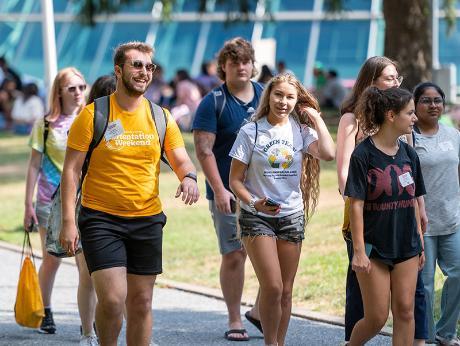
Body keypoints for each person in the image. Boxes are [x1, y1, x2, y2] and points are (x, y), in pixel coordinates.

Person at [59, 41, 199, 346]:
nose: (144, 72)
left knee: (141, 303)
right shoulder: (93, 115)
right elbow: (71, 171)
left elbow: (181, 158)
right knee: (111, 300)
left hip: (147, 220)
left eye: (149, 67)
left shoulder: (161, 117)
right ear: (119, 70)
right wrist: (69, 221)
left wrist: (189, 177)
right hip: (101, 220)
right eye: (137, 65)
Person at [229, 73, 335, 346]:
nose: (283, 102)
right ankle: (270, 343)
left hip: (291, 216)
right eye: (278, 95)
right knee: (273, 286)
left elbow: (328, 153)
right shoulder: (250, 131)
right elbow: (235, 181)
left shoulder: (301, 132)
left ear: (297, 100)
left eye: (290, 97)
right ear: (268, 96)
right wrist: (254, 203)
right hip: (257, 216)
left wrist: (316, 117)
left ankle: (279, 342)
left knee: (286, 291)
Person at [336, 56, 428, 345]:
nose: (415, 118)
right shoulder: (363, 153)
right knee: (375, 317)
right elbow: (356, 203)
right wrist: (359, 251)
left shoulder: (409, 152)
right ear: (391, 115)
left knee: (405, 310)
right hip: (374, 243)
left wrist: (420, 241)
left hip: (406, 242)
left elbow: (414, 196)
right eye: (410, 113)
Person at [192, 37, 263, 341]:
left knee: (274, 254)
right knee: (235, 255)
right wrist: (219, 190)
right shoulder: (214, 102)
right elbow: (204, 150)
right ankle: (235, 319)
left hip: (265, 193)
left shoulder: (266, 95)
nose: (241, 67)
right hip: (228, 193)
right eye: (234, 62)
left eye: (246, 61)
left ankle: (260, 311)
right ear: (224, 67)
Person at [23, 67, 86, 334]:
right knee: (52, 259)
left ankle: (90, 319)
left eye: (82, 87)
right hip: (49, 201)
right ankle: (45, 311)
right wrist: (28, 205)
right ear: (59, 92)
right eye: (71, 88)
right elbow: (34, 166)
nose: (78, 93)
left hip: (84, 202)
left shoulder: (91, 119)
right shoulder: (45, 125)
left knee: (87, 263)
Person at [413, 82, 460, 346]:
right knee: (425, 285)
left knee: (458, 275)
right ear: (415, 104)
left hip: (452, 220)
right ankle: (426, 336)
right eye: (426, 101)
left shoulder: (454, 135)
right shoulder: (408, 138)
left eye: (437, 100)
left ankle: (446, 332)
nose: (433, 105)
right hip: (423, 224)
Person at [75, 74, 117, 346]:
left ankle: (113, 334)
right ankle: (87, 333)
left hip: (124, 209)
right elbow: (74, 171)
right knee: (88, 274)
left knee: (120, 280)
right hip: (90, 206)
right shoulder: (88, 122)